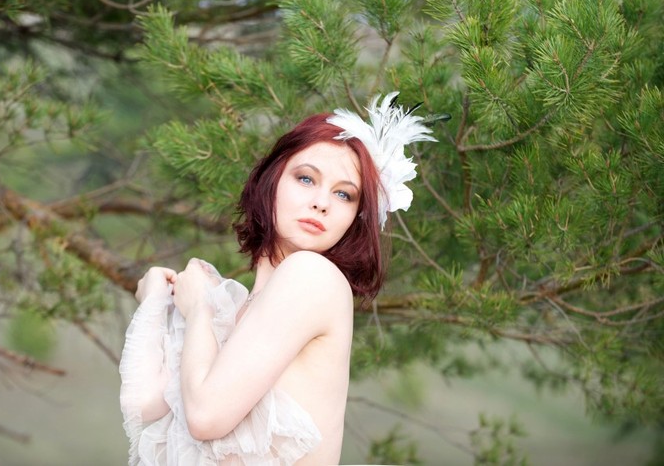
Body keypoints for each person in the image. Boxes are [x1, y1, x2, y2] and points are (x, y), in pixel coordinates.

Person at [119, 92, 435, 465]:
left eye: (344, 195)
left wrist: (201, 308)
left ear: (356, 217)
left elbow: (204, 417)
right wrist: (156, 302)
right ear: (271, 180)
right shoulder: (239, 308)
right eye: (306, 178)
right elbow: (146, 404)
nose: (321, 203)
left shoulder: (312, 276)